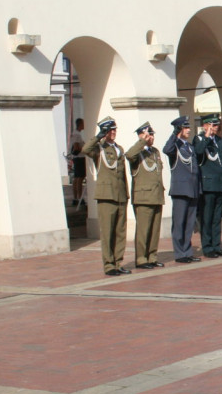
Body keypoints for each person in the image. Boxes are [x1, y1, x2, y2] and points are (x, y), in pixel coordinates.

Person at [82, 116, 130, 276]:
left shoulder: (119, 149)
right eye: (110, 130)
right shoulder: (99, 149)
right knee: (108, 231)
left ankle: (118, 262)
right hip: (106, 195)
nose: (113, 132)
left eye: (114, 129)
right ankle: (109, 265)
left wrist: (126, 194)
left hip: (120, 194)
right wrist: (98, 137)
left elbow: (122, 174)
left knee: (120, 232)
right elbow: (85, 149)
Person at [126, 122, 165, 269]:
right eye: (148, 134)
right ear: (141, 135)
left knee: (154, 230)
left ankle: (152, 256)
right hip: (143, 197)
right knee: (143, 230)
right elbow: (129, 155)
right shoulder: (138, 151)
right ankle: (141, 259)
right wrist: (141, 141)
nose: (151, 137)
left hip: (156, 195)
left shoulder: (155, 152)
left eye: (152, 134)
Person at [163, 115, 201, 263]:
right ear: (179, 129)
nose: (188, 130)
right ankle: (179, 253)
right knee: (179, 223)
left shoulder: (189, 146)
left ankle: (187, 251)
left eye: (188, 127)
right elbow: (166, 149)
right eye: (185, 127)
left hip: (192, 189)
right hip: (180, 189)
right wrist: (174, 134)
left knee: (189, 223)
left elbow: (195, 169)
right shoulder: (176, 146)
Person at [195, 114, 222, 257]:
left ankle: (216, 245)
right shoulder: (199, 139)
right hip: (208, 184)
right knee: (207, 217)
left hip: (219, 183)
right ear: (205, 126)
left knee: (217, 218)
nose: (215, 128)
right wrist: (207, 137)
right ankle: (207, 247)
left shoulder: (220, 141)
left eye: (216, 125)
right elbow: (198, 152)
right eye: (213, 125)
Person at [69, 117, 86, 207]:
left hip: (77, 158)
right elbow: (76, 147)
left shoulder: (75, 133)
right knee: (80, 178)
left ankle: (76, 197)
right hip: (80, 158)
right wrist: (84, 148)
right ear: (80, 124)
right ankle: (79, 197)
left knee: (76, 178)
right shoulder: (77, 134)